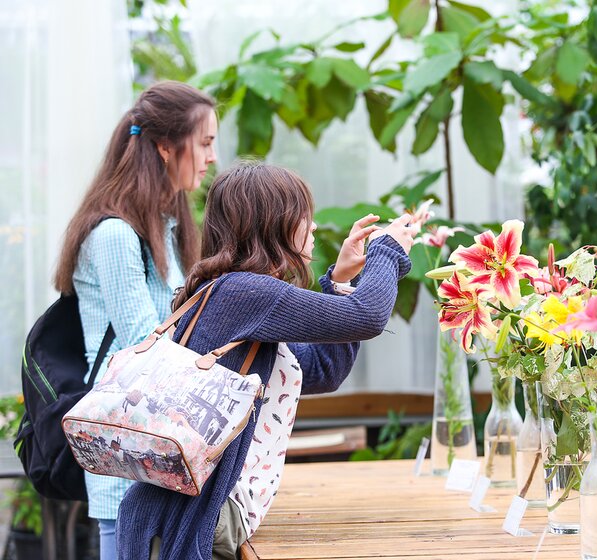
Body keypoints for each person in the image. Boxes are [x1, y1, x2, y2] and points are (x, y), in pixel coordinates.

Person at [115, 162, 416, 559]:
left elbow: (321, 372)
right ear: (273, 223)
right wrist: (387, 251)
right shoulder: (246, 293)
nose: (312, 226)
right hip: (189, 520)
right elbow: (368, 316)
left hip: (188, 515)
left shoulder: (237, 295)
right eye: (303, 215)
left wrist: (341, 280)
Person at [54, 80, 218, 560]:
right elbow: (146, 345)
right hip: (125, 450)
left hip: (157, 443)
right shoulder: (115, 235)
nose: (212, 157)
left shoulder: (166, 228)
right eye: (205, 142)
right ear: (166, 146)